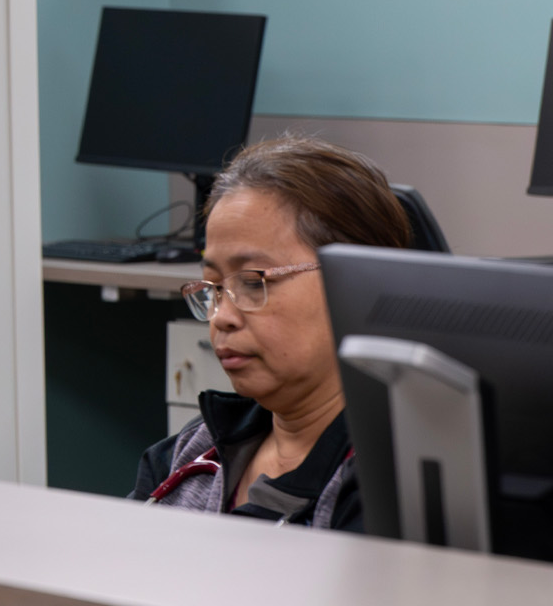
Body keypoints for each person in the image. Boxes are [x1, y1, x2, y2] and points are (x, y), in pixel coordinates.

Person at [130, 135, 411, 529]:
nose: (221, 317)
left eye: (253, 281)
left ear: (355, 282)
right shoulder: (187, 452)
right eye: (212, 286)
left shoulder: (391, 486)